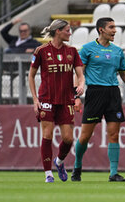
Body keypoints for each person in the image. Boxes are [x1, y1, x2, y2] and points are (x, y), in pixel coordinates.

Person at [71, 17, 125, 182]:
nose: (115, 30)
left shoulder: (118, 51)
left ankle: (113, 173)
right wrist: (76, 96)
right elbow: (79, 74)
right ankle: (77, 166)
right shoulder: (87, 49)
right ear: (101, 30)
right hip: (95, 93)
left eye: (115, 27)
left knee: (114, 134)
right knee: (85, 136)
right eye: (111, 27)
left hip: (113, 94)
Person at [28, 19, 85, 183]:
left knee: (68, 139)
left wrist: (81, 86)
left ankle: (59, 162)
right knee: (47, 135)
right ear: (58, 31)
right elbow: (31, 76)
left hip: (66, 100)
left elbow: (80, 75)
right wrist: (35, 99)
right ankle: (48, 174)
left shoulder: (72, 51)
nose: (70, 33)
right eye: (67, 30)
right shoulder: (41, 51)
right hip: (46, 99)